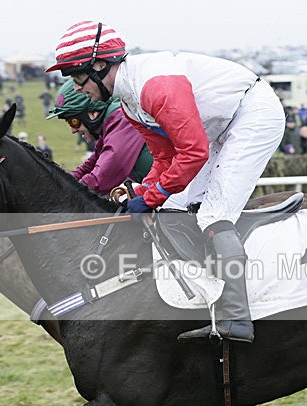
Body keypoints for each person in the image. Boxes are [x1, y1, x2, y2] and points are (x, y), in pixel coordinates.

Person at [47, 20, 284, 343]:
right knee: (172, 204)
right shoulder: (130, 101)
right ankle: (203, 292)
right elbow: (163, 158)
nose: (77, 88)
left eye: (78, 77)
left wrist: (152, 192)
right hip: (218, 128)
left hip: (253, 115)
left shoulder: (154, 87)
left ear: (100, 65)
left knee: (214, 214)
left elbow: (193, 152)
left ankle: (236, 317)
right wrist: (147, 192)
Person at [45, 79, 152, 196]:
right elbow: (89, 165)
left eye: (73, 121)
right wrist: (61, 184)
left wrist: (64, 195)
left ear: (93, 113)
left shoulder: (122, 119)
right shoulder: (110, 123)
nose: (73, 130)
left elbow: (100, 177)